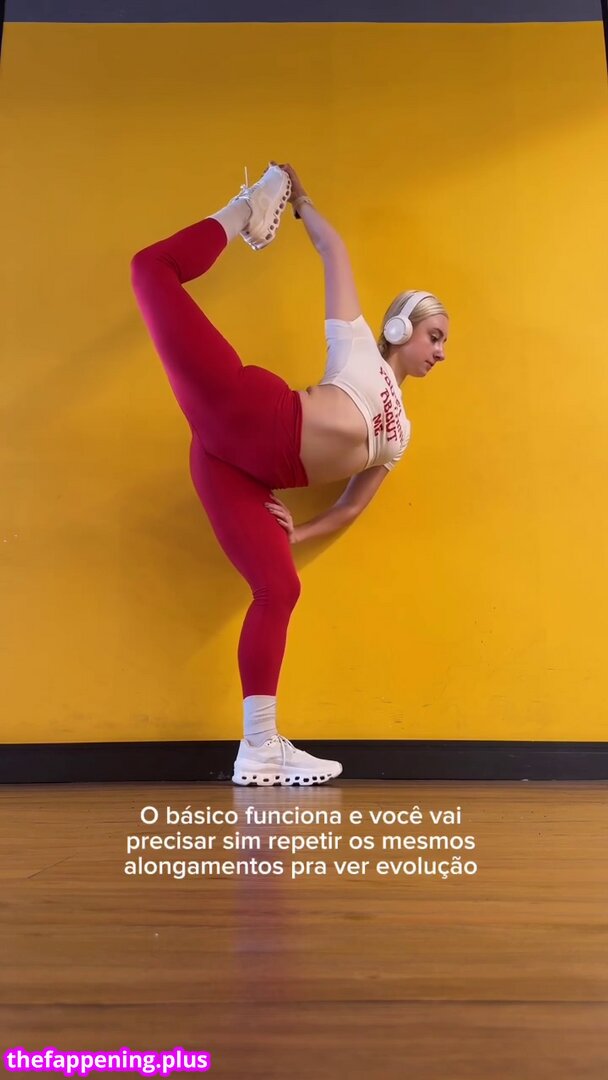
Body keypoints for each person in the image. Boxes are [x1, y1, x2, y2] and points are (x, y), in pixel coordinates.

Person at [130, 162, 449, 787]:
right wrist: (300, 202)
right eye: (434, 336)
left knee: (279, 589)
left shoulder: (402, 436)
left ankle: (260, 748)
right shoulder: (358, 346)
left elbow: (350, 508)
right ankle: (248, 209)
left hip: (236, 467)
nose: (441, 352)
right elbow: (335, 251)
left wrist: (294, 534)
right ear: (400, 328)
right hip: (250, 412)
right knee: (150, 269)